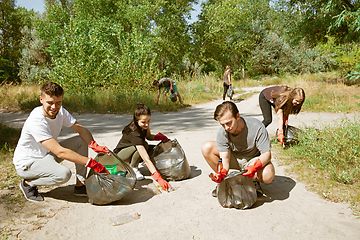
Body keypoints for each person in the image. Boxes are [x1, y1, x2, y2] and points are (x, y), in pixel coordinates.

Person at [13, 81, 110, 202]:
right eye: (50, 103)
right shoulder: (36, 120)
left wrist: (94, 145)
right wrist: (92, 163)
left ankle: (80, 185)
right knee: (64, 174)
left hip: (45, 155)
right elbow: (60, 152)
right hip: (28, 164)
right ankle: (28, 183)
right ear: (41, 99)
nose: (54, 107)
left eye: (58, 103)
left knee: (81, 140)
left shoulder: (61, 111)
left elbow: (81, 130)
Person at [201, 101, 275, 197]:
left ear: (237, 116)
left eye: (229, 123)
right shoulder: (222, 133)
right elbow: (225, 160)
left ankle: (253, 182)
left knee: (268, 174)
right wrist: (222, 173)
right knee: (207, 147)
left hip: (252, 160)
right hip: (235, 159)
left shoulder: (257, 127)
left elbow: (267, 154)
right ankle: (224, 182)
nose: (226, 127)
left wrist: (254, 167)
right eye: (222, 124)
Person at [113, 102, 172, 191]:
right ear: (137, 121)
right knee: (144, 145)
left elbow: (148, 136)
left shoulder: (143, 126)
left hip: (132, 149)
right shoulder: (134, 132)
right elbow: (146, 158)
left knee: (152, 147)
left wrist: (159, 137)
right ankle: (133, 168)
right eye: (143, 122)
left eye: (149, 121)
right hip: (120, 156)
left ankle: (134, 166)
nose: (147, 124)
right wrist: (158, 178)